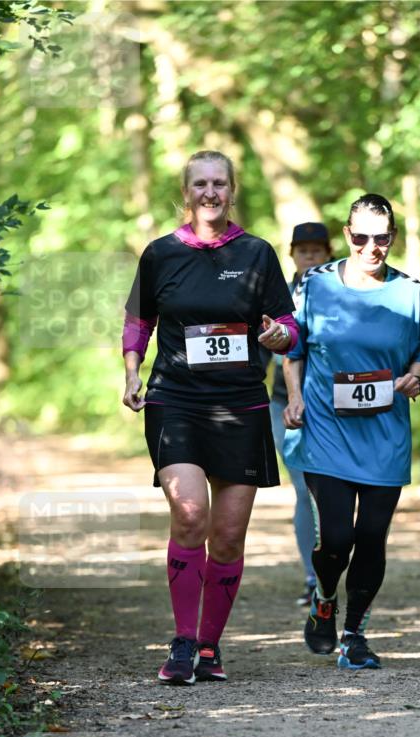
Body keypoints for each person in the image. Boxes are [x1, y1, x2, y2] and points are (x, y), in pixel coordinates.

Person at [122, 150, 297, 684]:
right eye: (200, 183)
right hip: (175, 400)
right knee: (191, 514)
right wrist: (131, 373)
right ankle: (180, 641)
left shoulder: (257, 253)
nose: (210, 192)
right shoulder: (160, 254)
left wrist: (279, 336)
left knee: (226, 536)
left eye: (219, 183)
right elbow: (138, 319)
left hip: (241, 405)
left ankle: (209, 646)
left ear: (233, 190)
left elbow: (289, 325)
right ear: (186, 192)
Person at [282, 193, 420, 670]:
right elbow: (293, 349)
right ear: (347, 234)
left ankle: (355, 635)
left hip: (385, 434)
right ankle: (325, 596)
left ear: (393, 236)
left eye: (383, 237)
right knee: (335, 537)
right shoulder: (314, 284)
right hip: (326, 430)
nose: (373, 247)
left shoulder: (410, 291)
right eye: (362, 237)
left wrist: (415, 377)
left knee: (371, 536)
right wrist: (293, 397)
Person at [269, 222, 332, 606]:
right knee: (303, 489)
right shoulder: (277, 296)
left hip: (334, 407)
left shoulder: (343, 291)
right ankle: (313, 576)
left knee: (333, 491)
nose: (309, 255)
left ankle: (333, 563)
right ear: (292, 252)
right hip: (283, 405)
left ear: (328, 252)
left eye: (317, 249)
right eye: (302, 249)